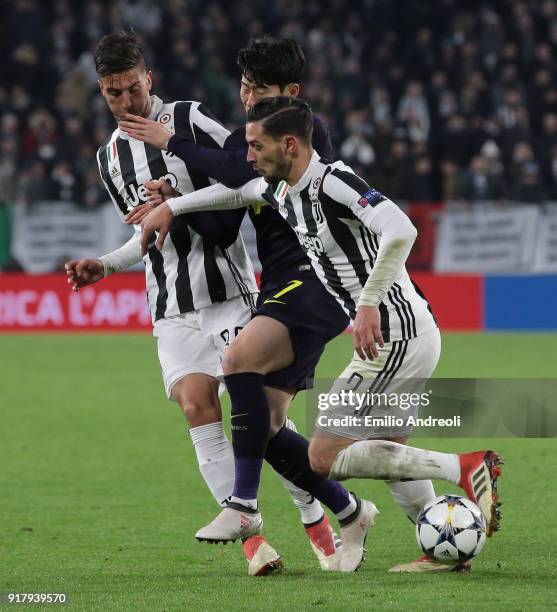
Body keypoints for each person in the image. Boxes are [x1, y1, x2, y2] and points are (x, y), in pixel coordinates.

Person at [121, 36, 446, 573]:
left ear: (291, 137)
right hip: (350, 311)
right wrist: (171, 206)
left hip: (350, 308)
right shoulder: (280, 181)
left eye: (260, 94)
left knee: (252, 376)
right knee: (282, 426)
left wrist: (174, 140)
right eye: (245, 88)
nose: (249, 103)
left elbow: (399, 227)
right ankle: (430, 536)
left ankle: (248, 505)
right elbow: (233, 198)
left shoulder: (323, 165)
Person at [64, 31, 335, 578]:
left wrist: (178, 198)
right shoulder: (109, 158)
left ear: (149, 79)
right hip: (169, 303)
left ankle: (317, 516)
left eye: (132, 88)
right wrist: (107, 264)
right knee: (195, 407)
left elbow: (240, 176)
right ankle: (253, 543)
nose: (125, 102)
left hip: (231, 294)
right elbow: (145, 234)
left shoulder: (190, 120)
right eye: (113, 93)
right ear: (102, 91)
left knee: (261, 420)